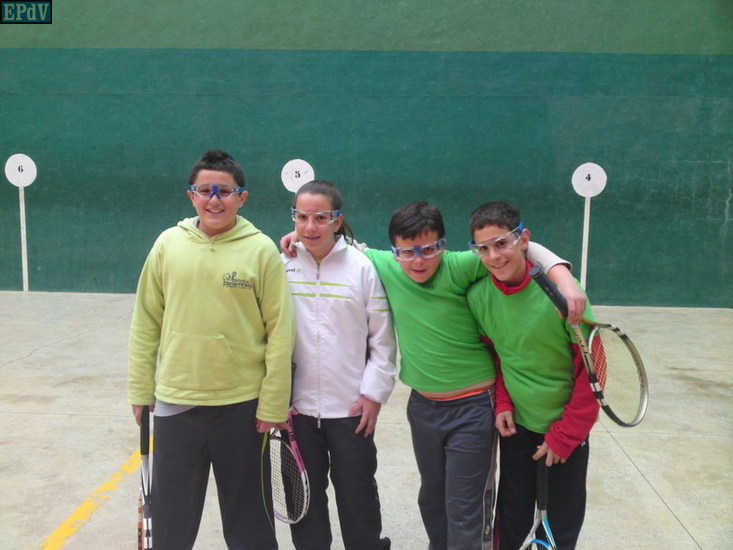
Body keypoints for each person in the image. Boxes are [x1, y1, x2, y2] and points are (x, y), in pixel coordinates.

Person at [282, 200, 586, 550]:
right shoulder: (385, 264)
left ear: (444, 245)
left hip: (473, 408)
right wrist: (303, 235)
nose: (418, 260)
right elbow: (338, 242)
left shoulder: (460, 265)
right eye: (407, 252)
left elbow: (515, 245)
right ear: (394, 251)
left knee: (465, 506)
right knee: (432, 499)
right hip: (423, 408)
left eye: (429, 249)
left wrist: (563, 276)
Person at [127, 150, 295, 550]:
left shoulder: (261, 250)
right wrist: (139, 388)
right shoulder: (167, 244)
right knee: (171, 522)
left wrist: (273, 402)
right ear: (191, 195)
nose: (214, 199)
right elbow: (145, 321)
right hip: (176, 402)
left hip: (242, 405)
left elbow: (280, 331)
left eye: (225, 191)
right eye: (205, 190)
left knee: (249, 521)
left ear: (242, 197)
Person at [465, 201, 599, 549]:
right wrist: (503, 403)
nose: (494, 256)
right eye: (483, 248)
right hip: (518, 430)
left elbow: (593, 372)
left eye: (502, 243)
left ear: (523, 239)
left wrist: (566, 435)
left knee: (561, 526)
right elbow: (499, 357)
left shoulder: (567, 295)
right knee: (511, 519)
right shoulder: (479, 298)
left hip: (567, 432)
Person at [282, 180, 397, 550]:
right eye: (302, 217)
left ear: (337, 220)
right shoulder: (281, 265)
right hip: (296, 411)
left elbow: (382, 339)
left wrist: (373, 395)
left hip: (351, 411)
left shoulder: (362, 267)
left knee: (357, 494)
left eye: (321, 218)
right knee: (304, 497)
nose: (310, 226)